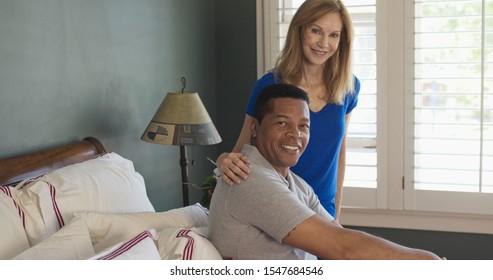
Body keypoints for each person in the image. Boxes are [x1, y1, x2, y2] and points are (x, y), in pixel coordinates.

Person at [208, 83, 442, 260]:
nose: (295, 134)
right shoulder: (249, 178)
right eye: (281, 123)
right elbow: (343, 247)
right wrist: (427, 262)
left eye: (303, 126)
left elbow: (337, 235)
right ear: (255, 128)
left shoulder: (296, 184)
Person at [216, 0, 358, 219]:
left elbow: (339, 152)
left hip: (323, 209)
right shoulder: (269, 85)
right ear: (300, 30)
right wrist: (223, 160)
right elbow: (242, 149)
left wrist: (336, 216)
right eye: (316, 31)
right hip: (277, 207)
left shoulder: (348, 87)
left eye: (333, 35)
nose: (323, 43)